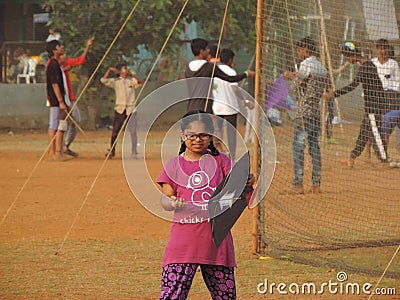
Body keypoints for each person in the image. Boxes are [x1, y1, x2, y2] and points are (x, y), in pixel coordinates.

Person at [157, 110, 255, 299]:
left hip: (217, 241)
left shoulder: (222, 162)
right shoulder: (174, 165)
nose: (197, 139)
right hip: (184, 243)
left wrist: (248, 180)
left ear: (211, 136)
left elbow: (239, 187)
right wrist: (172, 202)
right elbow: (165, 198)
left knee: (225, 296)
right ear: (182, 135)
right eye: (191, 134)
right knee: (172, 295)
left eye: (203, 135)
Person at [323, 41, 388, 167]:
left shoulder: (366, 67)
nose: (347, 60)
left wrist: (333, 94)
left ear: (353, 55)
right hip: (371, 107)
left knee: (376, 134)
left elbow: (352, 86)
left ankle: (384, 160)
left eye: (347, 57)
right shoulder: (367, 65)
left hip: (374, 107)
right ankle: (352, 157)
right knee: (364, 133)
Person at [284, 36, 328, 194]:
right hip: (316, 111)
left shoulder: (305, 65)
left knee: (298, 147)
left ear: (306, 50)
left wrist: (294, 77)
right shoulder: (322, 68)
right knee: (314, 147)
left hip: (304, 112)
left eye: (300, 50)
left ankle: (298, 183)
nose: (299, 53)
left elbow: (295, 90)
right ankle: (316, 184)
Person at [185, 38, 255, 113]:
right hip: (204, 108)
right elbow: (229, 78)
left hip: (190, 109)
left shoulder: (188, 68)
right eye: (206, 49)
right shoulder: (209, 67)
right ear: (202, 51)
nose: (208, 51)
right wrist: (246, 74)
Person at [212, 48, 249, 161]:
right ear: (230, 60)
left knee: (218, 133)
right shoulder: (231, 71)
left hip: (217, 107)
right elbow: (235, 89)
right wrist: (243, 99)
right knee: (231, 134)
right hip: (230, 107)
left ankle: (216, 155)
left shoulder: (214, 70)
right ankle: (232, 156)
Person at [62, 36, 96, 157]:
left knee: (76, 121)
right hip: (61, 99)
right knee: (61, 123)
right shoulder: (54, 65)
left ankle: (65, 145)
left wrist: (88, 45)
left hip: (69, 98)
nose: (65, 56)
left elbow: (80, 60)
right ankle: (59, 147)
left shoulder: (66, 63)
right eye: (63, 54)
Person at [101, 63, 142, 159]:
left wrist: (132, 75)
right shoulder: (116, 81)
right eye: (124, 69)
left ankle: (134, 152)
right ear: (120, 71)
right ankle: (112, 150)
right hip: (120, 108)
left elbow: (140, 82)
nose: (126, 71)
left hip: (131, 108)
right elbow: (103, 80)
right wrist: (110, 70)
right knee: (115, 130)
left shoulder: (131, 81)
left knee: (133, 131)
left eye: (126, 69)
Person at [371, 39, 400, 154]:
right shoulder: (373, 63)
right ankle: (372, 153)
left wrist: (394, 92)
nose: (382, 51)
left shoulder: (393, 64)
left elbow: (398, 81)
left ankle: (385, 153)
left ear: (388, 49)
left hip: (391, 97)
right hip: (376, 96)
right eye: (380, 48)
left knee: (388, 123)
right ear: (377, 50)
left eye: (385, 48)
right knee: (373, 124)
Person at [45, 40, 68, 161]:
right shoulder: (53, 64)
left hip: (57, 99)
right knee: (53, 125)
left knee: (58, 124)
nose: (62, 47)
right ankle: (51, 152)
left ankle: (56, 152)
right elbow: (54, 84)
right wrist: (60, 101)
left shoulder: (56, 64)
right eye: (59, 46)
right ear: (54, 50)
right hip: (54, 100)